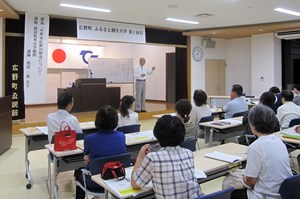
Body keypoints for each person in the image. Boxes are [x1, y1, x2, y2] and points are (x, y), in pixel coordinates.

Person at [131, 115, 203, 199]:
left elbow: (135, 184)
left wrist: (140, 156)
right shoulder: (189, 153)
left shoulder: (153, 158)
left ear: (157, 135)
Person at [231, 105, 292, 199]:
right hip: (283, 192)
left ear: (253, 126)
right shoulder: (279, 141)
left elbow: (250, 181)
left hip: (266, 195)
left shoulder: (255, 147)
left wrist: (242, 178)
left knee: (232, 191)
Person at [75, 105, 126, 199]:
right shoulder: (121, 136)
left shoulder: (89, 138)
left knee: (78, 172)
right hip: (116, 177)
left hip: (94, 182)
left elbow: (86, 156)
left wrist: (89, 159)